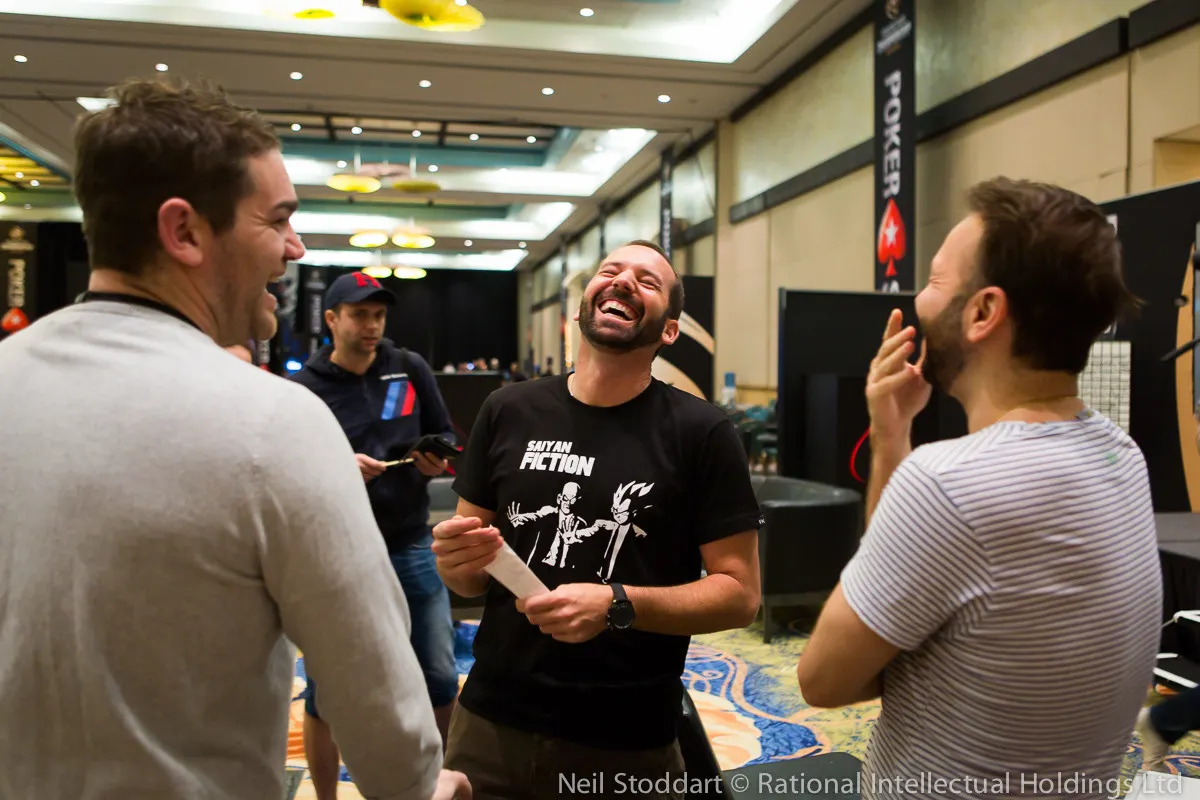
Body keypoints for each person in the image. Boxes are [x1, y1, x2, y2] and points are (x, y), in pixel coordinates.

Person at [0, 77, 468, 800]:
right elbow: (381, 711)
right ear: (184, 232)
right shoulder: (275, 422)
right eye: (278, 221)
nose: (294, 248)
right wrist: (427, 785)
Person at [795, 178, 1160, 799]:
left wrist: (900, 457)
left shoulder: (947, 484)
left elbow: (824, 680)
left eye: (935, 280)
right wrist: (891, 439)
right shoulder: (1120, 456)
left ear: (983, 312)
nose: (918, 299)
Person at [433, 240, 762, 799]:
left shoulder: (702, 432)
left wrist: (616, 604)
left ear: (669, 331)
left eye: (648, 281)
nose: (624, 280)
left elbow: (740, 595)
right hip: (491, 719)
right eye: (610, 270)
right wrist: (454, 561)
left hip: (625, 736)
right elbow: (467, 580)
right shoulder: (508, 410)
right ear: (580, 308)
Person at [290, 271, 461, 798]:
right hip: (336, 552)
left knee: (438, 674)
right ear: (331, 319)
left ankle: (438, 785)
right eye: (360, 315)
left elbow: (445, 431)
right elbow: (288, 467)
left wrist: (435, 455)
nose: (372, 326)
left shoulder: (407, 367)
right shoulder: (305, 388)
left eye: (379, 315)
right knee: (325, 690)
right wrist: (338, 465)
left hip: (410, 541)